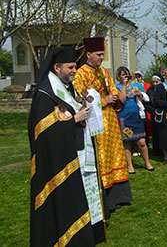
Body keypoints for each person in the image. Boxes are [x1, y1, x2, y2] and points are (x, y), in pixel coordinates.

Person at [29, 47, 105, 246]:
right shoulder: (45, 94)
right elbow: (43, 132)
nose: (74, 70)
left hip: (74, 153)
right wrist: (74, 120)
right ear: (56, 67)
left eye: (75, 66)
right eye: (70, 67)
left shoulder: (66, 88)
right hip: (57, 162)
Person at [74, 37, 132, 212]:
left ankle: (119, 197)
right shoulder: (81, 74)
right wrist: (103, 100)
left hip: (111, 122)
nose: (101, 58)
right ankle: (104, 200)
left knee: (115, 155)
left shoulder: (104, 72)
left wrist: (116, 93)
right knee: (102, 157)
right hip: (95, 124)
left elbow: (115, 93)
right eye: (98, 55)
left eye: (102, 55)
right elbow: (79, 99)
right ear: (89, 54)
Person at [115, 66, 154, 174]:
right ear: (118, 77)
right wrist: (123, 85)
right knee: (127, 142)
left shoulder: (135, 86)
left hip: (135, 116)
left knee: (141, 142)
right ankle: (130, 166)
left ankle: (147, 162)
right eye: (123, 75)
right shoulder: (116, 87)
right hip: (124, 116)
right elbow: (122, 100)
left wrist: (139, 94)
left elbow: (143, 99)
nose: (125, 77)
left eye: (126, 74)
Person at [134, 70, 152, 144]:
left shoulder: (146, 85)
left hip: (146, 105)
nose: (138, 78)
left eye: (139, 76)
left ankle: (146, 142)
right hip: (138, 106)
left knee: (147, 125)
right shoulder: (134, 85)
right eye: (136, 77)